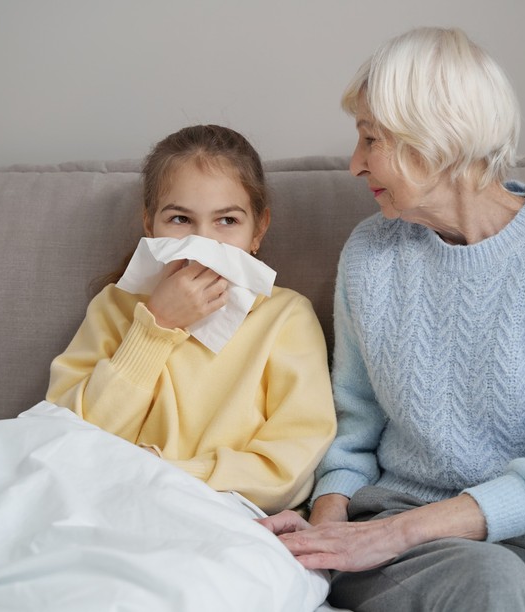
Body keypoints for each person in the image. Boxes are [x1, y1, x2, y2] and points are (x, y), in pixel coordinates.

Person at [258, 27, 525, 611]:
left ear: (433, 135)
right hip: (398, 542)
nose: (355, 163)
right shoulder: (370, 252)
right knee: (488, 582)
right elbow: (352, 433)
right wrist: (328, 527)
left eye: (370, 139)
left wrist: (395, 533)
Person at [47, 124, 336, 515]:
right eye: (181, 220)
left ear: (258, 230)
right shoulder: (114, 306)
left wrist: (170, 474)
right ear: (150, 225)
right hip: (104, 501)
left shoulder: (285, 317)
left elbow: (290, 466)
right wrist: (156, 327)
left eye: (227, 221)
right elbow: (70, 434)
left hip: (220, 512)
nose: (203, 245)